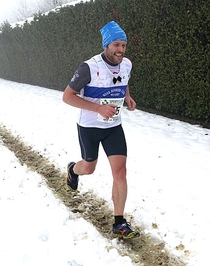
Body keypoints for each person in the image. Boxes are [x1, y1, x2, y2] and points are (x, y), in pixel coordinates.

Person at [62, 21, 139, 239]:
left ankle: (119, 222)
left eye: (124, 45)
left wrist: (127, 97)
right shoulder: (89, 67)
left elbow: (123, 82)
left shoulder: (126, 64)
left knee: (120, 172)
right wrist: (97, 107)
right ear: (106, 44)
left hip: (113, 126)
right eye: (116, 45)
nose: (121, 50)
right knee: (88, 168)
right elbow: (67, 96)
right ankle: (72, 170)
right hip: (90, 127)